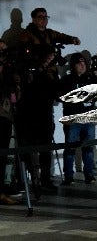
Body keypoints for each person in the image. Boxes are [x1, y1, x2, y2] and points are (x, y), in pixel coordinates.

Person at [14, 45, 61, 192]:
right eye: (49, 55)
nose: (51, 59)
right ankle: (25, 180)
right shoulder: (29, 67)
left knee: (46, 150)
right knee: (28, 150)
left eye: (52, 56)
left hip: (46, 115)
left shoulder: (51, 72)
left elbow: (56, 92)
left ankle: (45, 179)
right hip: (29, 115)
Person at [59, 53, 97, 185]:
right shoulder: (67, 80)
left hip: (88, 119)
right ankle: (69, 176)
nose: (82, 65)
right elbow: (62, 97)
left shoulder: (90, 79)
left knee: (88, 149)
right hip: (73, 119)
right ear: (73, 66)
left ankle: (89, 175)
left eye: (84, 63)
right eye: (79, 63)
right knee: (70, 149)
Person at [0, 40, 20, 205]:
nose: (3, 53)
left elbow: (15, 96)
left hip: (5, 116)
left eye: (4, 50)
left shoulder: (9, 69)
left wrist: (16, 84)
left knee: (3, 155)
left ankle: (1, 192)